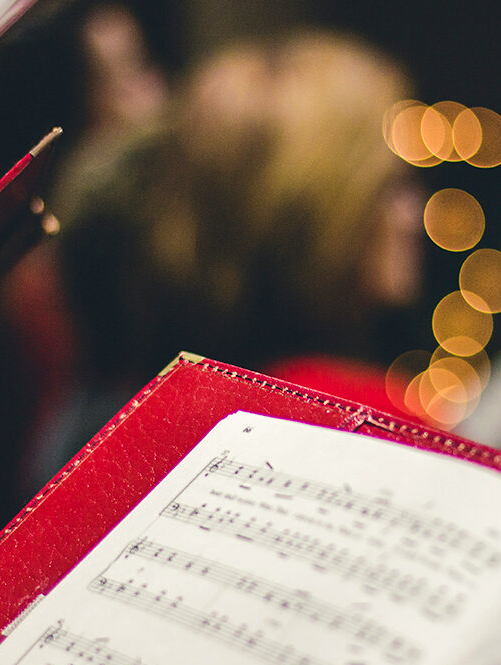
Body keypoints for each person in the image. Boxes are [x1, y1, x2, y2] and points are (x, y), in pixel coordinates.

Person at [29, 30, 427, 485]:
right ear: (315, 215)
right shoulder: (368, 418)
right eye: (389, 187)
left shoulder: (130, 419)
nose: (411, 216)